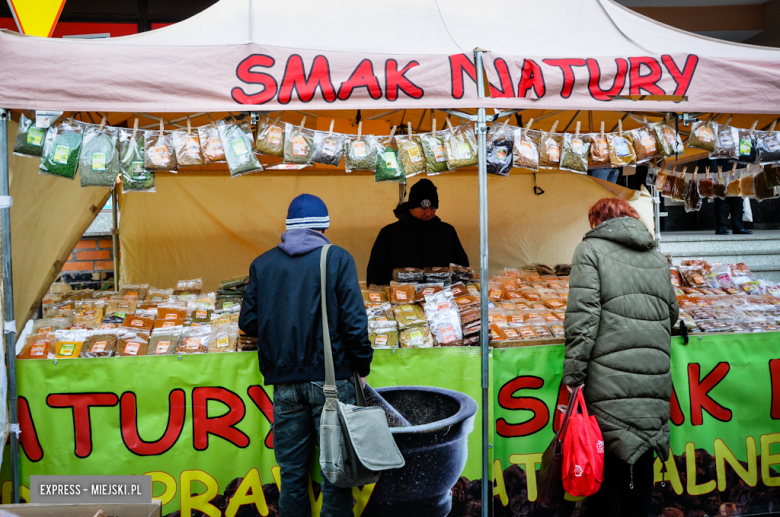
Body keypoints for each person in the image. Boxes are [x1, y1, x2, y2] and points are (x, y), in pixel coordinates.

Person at [239, 193, 373, 517]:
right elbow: (355, 325)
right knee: (336, 476)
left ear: (288, 228)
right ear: (323, 229)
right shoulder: (337, 258)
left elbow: (249, 322)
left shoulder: (263, 264)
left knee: (292, 475)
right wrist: (363, 363)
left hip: (284, 386)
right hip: (333, 381)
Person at [562, 197, 679, 517]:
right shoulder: (656, 257)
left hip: (608, 375)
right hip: (654, 375)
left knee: (606, 458)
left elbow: (583, 321)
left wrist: (573, 377)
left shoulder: (590, 251)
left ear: (598, 222)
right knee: (642, 455)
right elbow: (672, 313)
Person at [366, 178, 469, 286]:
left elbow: (462, 271)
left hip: (442, 301)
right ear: (411, 207)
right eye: (423, 208)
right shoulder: (389, 234)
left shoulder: (447, 232)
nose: (429, 213)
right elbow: (376, 276)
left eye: (433, 208)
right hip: (401, 299)